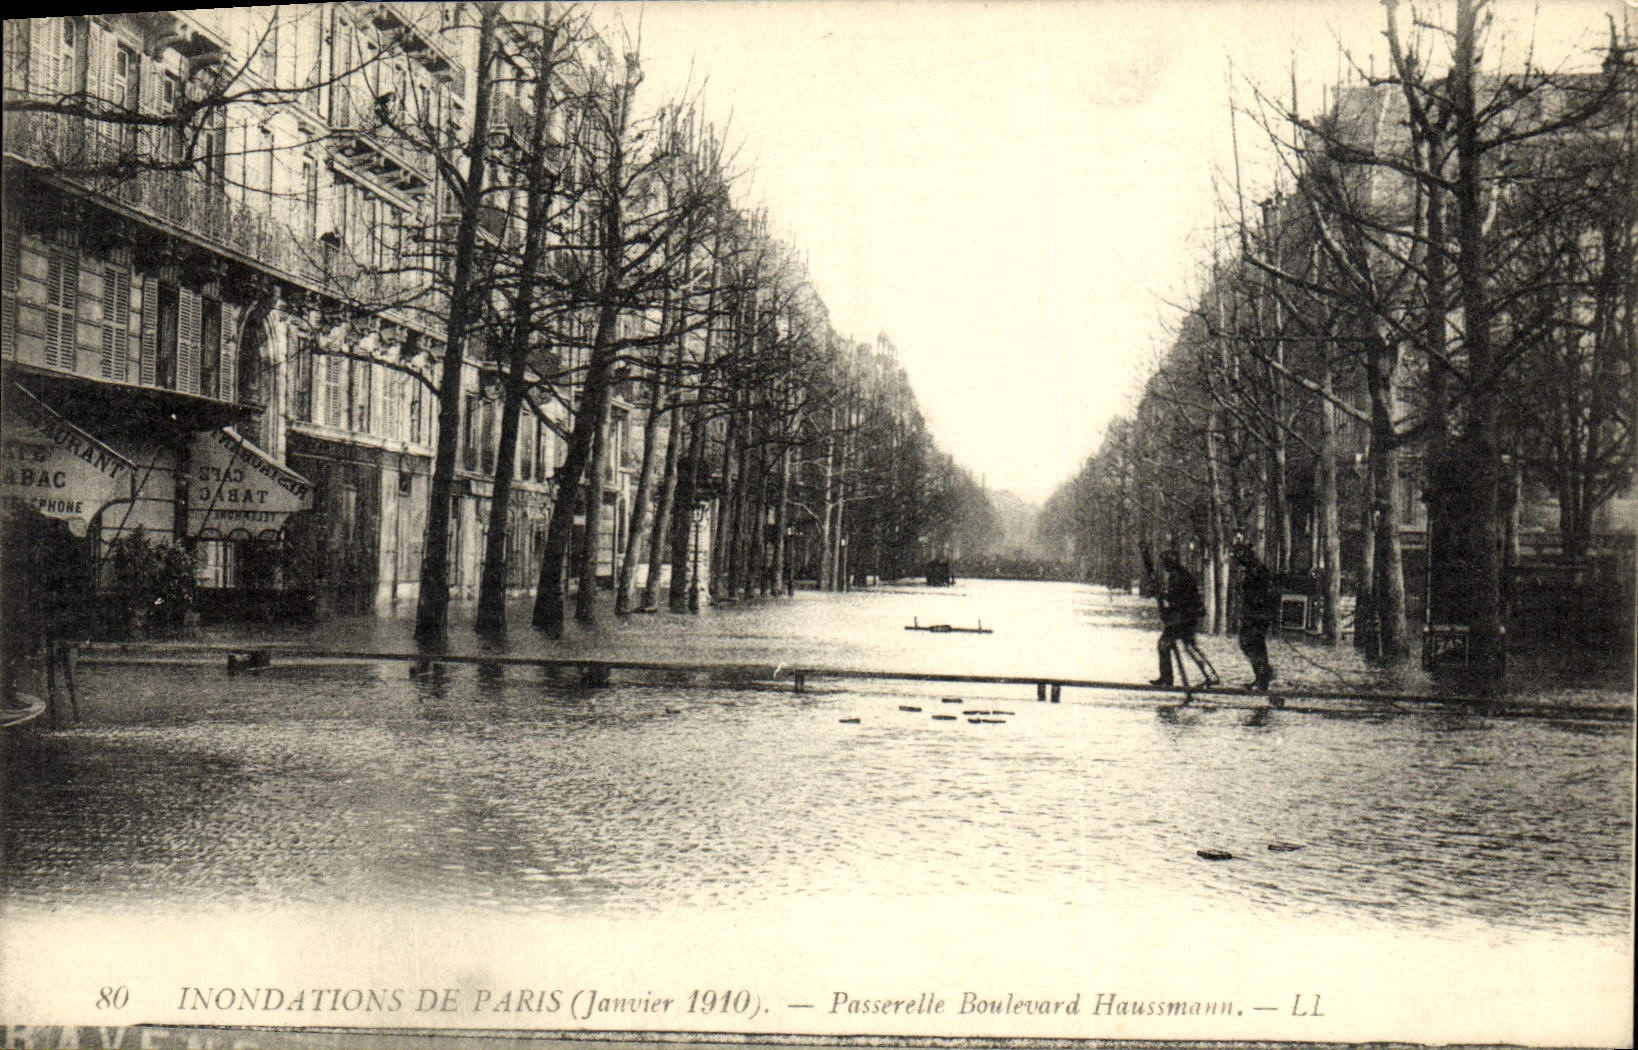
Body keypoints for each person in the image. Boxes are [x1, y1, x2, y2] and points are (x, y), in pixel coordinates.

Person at [1151, 549, 1215, 688]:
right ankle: (1211, 676)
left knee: (1164, 644)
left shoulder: (1178, 577)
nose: (1164, 566)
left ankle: (1167, 679)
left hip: (1182, 619)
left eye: (1165, 563)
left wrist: (1162, 595)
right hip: (1185, 618)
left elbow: (1178, 599)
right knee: (1189, 647)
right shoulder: (1180, 574)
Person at [1233, 542, 1279, 692]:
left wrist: (1258, 606)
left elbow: (1264, 592)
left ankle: (1263, 676)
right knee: (1252, 644)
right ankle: (1262, 677)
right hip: (1256, 613)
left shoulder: (1256, 570)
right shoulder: (1254, 568)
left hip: (1258, 614)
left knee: (1251, 643)